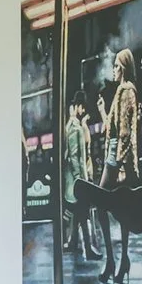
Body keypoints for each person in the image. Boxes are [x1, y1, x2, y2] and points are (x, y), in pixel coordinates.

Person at [99, 50, 142, 284]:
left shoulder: (126, 91)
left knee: (100, 205)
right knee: (122, 209)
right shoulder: (121, 91)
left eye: (116, 66)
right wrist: (103, 112)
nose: (113, 70)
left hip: (116, 158)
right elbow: (112, 128)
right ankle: (120, 260)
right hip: (114, 155)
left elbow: (125, 133)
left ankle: (114, 261)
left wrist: (123, 165)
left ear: (123, 68)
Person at [62, 101, 96, 260]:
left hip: (74, 179)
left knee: (77, 213)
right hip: (77, 179)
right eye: (79, 106)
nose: (82, 110)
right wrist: (80, 179)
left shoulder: (71, 127)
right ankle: (88, 249)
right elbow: (75, 157)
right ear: (74, 108)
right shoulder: (75, 129)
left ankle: (72, 242)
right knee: (83, 213)